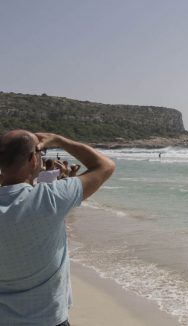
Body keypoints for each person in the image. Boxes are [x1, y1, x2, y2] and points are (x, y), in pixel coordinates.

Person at [0, 130, 115, 325]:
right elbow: (105, 166)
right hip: (49, 318)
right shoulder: (50, 197)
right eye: (39, 153)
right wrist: (60, 141)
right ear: (33, 159)